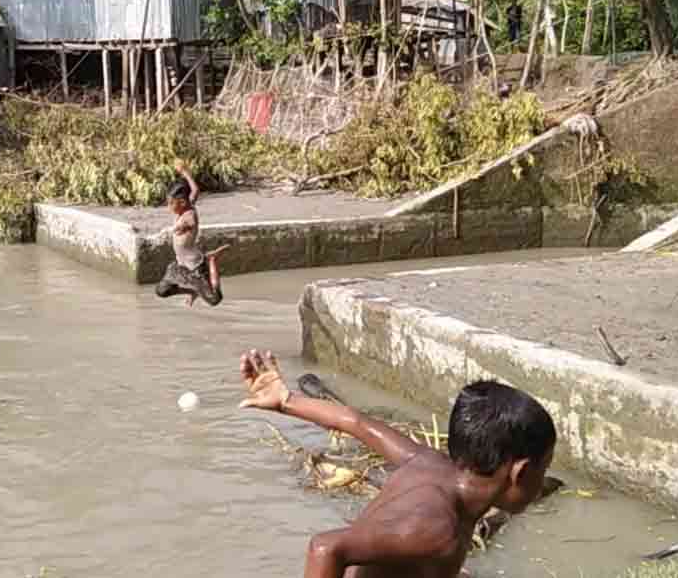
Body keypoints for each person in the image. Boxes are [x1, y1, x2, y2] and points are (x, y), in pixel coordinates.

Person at [238, 349, 556, 578]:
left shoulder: (428, 462)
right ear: (521, 471)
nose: (542, 481)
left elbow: (355, 422)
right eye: (544, 468)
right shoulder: (437, 531)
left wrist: (287, 400)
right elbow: (325, 548)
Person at [154, 160, 229, 308]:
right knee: (162, 290)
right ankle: (192, 291)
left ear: (181, 202)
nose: (168, 207)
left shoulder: (189, 215)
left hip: (195, 268)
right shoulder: (187, 204)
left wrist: (184, 226)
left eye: (171, 203)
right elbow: (195, 190)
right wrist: (185, 172)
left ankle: (212, 259)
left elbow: (192, 222)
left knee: (215, 299)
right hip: (180, 266)